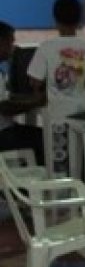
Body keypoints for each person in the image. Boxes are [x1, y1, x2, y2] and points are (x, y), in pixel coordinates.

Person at [27, 0, 85, 175]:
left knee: (60, 168)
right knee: (84, 164)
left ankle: (63, 193)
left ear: (55, 19)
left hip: (58, 116)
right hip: (84, 115)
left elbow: (35, 81)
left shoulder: (46, 47)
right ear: (79, 20)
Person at [0, 21, 43, 163]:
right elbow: (5, 108)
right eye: (10, 42)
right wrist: (36, 102)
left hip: (6, 129)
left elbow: (7, 97)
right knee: (46, 139)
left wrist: (32, 98)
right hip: (3, 134)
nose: (13, 47)